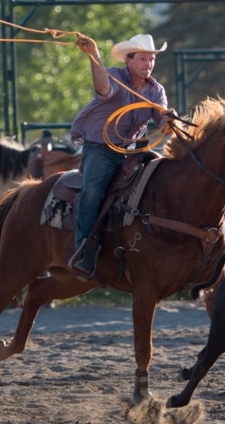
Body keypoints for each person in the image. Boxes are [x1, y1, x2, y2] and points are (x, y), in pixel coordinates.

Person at [68, 33, 171, 276]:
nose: (149, 64)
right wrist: (94, 55)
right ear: (129, 60)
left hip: (133, 151)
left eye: (152, 59)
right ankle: (82, 248)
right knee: (92, 191)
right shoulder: (114, 76)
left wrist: (170, 120)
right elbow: (103, 88)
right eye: (143, 59)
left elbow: (163, 122)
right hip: (101, 149)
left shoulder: (156, 90)